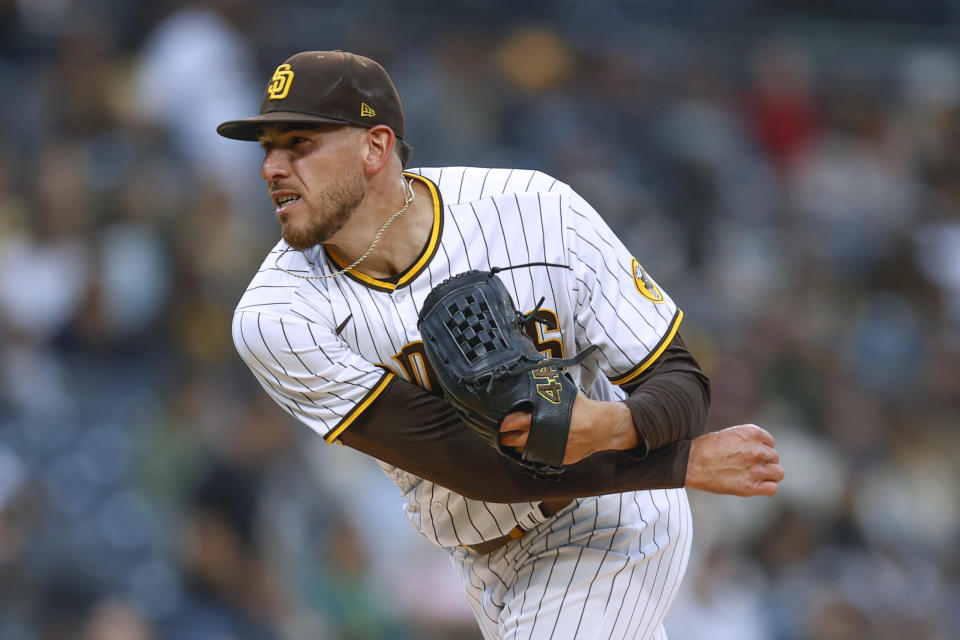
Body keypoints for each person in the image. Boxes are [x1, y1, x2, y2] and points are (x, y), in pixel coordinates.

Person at [217, 50, 784, 640]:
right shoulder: (276, 316)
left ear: (375, 147)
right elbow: (476, 464)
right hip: (487, 560)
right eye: (266, 148)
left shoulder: (534, 208)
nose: (271, 168)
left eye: (299, 143)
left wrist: (616, 427)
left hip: (611, 519)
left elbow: (679, 378)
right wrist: (684, 463)